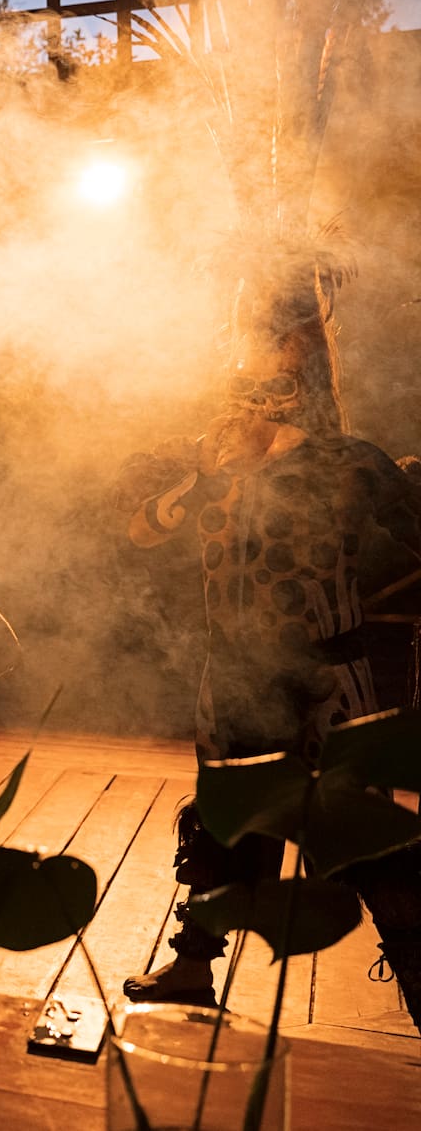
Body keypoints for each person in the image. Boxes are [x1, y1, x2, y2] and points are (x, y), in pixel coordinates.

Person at [119, 286, 421, 1011]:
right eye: (244, 383)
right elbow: (142, 530)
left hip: (327, 676)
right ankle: (193, 966)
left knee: (361, 836)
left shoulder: (349, 463)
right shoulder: (205, 460)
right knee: (222, 821)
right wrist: (203, 474)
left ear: (303, 391)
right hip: (234, 674)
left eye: (273, 384)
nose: (254, 401)